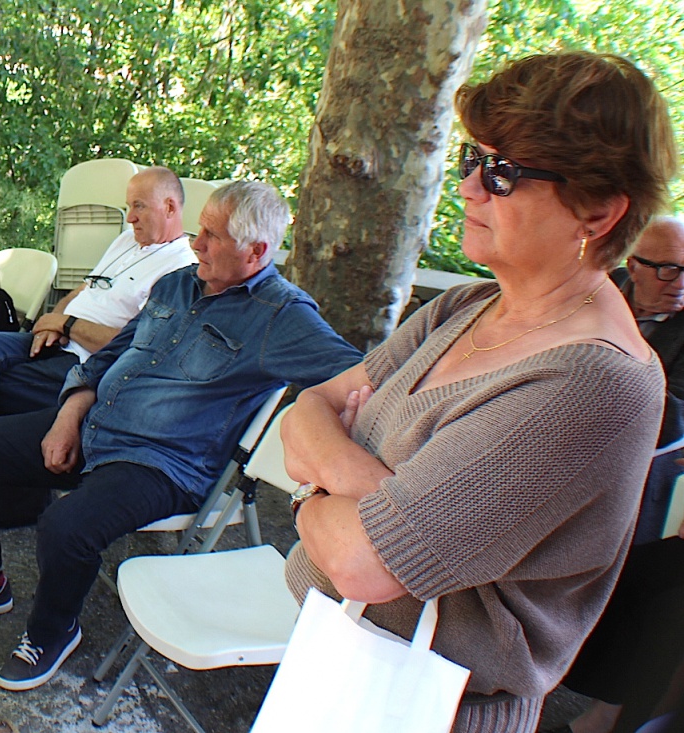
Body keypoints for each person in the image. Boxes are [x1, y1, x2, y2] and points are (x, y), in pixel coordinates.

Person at [280, 52, 676, 732]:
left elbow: (362, 562)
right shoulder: (463, 307)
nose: (467, 187)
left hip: (436, 708)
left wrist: (313, 487)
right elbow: (305, 410)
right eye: (472, 158)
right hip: (337, 660)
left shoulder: (594, 383)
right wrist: (369, 494)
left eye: (502, 172)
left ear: (598, 210)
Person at [0, 181, 362, 692]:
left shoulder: (282, 316)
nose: (196, 243)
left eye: (212, 236)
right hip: (97, 424)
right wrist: (69, 412)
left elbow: (366, 377)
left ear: (256, 251)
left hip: (162, 464)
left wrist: (331, 427)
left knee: (65, 525)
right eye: (200, 230)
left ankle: (53, 631)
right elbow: (108, 356)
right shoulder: (177, 284)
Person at [0, 166, 197, 530]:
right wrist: (54, 318)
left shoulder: (179, 271)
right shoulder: (128, 241)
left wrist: (67, 325)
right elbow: (84, 289)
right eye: (129, 207)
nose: (130, 217)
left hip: (88, 365)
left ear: (170, 207)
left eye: (139, 206)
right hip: (56, 339)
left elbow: (134, 345)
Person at [550, 216, 684, 733]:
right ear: (634, 265)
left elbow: (673, 414)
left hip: (654, 480)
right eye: (668, 269)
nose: (680, 283)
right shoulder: (594, 294)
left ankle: (605, 712)